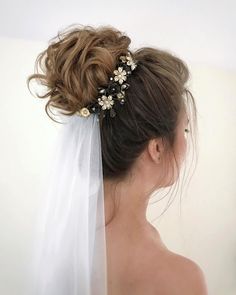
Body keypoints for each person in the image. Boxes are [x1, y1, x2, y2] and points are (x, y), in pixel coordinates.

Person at [27, 24, 208, 295]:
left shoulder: (63, 251)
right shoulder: (183, 280)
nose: (186, 142)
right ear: (156, 147)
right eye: (184, 129)